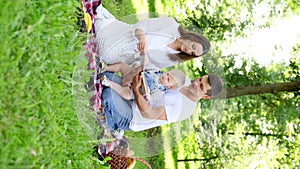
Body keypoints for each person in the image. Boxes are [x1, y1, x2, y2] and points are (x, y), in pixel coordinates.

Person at [94, 4, 211, 69]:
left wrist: (144, 58)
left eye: (192, 53)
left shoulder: (174, 59)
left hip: (121, 57)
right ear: (193, 39)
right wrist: (141, 37)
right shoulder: (171, 24)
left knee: (102, 54)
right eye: (193, 47)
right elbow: (142, 25)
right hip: (121, 35)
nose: (189, 50)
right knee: (97, 32)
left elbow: (150, 67)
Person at [101, 71, 223, 131]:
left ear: (206, 97)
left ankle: (113, 124)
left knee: (108, 94)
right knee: (108, 76)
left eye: (201, 87)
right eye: (200, 79)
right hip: (132, 98)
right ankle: (108, 113)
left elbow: (147, 113)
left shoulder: (183, 110)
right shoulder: (183, 82)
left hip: (132, 118)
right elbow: (159, 80)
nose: (196, 83)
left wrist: (136, 89)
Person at [101, 67, 186, 105]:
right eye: (167, 74)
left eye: (168, 80)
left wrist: (148, 95)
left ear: (169, 87)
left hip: (135, 90)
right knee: (123, 66)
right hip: (133, 78)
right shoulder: (156, 71)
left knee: (127, 94)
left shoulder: (159, 92)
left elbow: (151, 101)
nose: (165, 77)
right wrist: (139, 71)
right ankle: (104, 67)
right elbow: (145, 68)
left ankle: (108, 83)